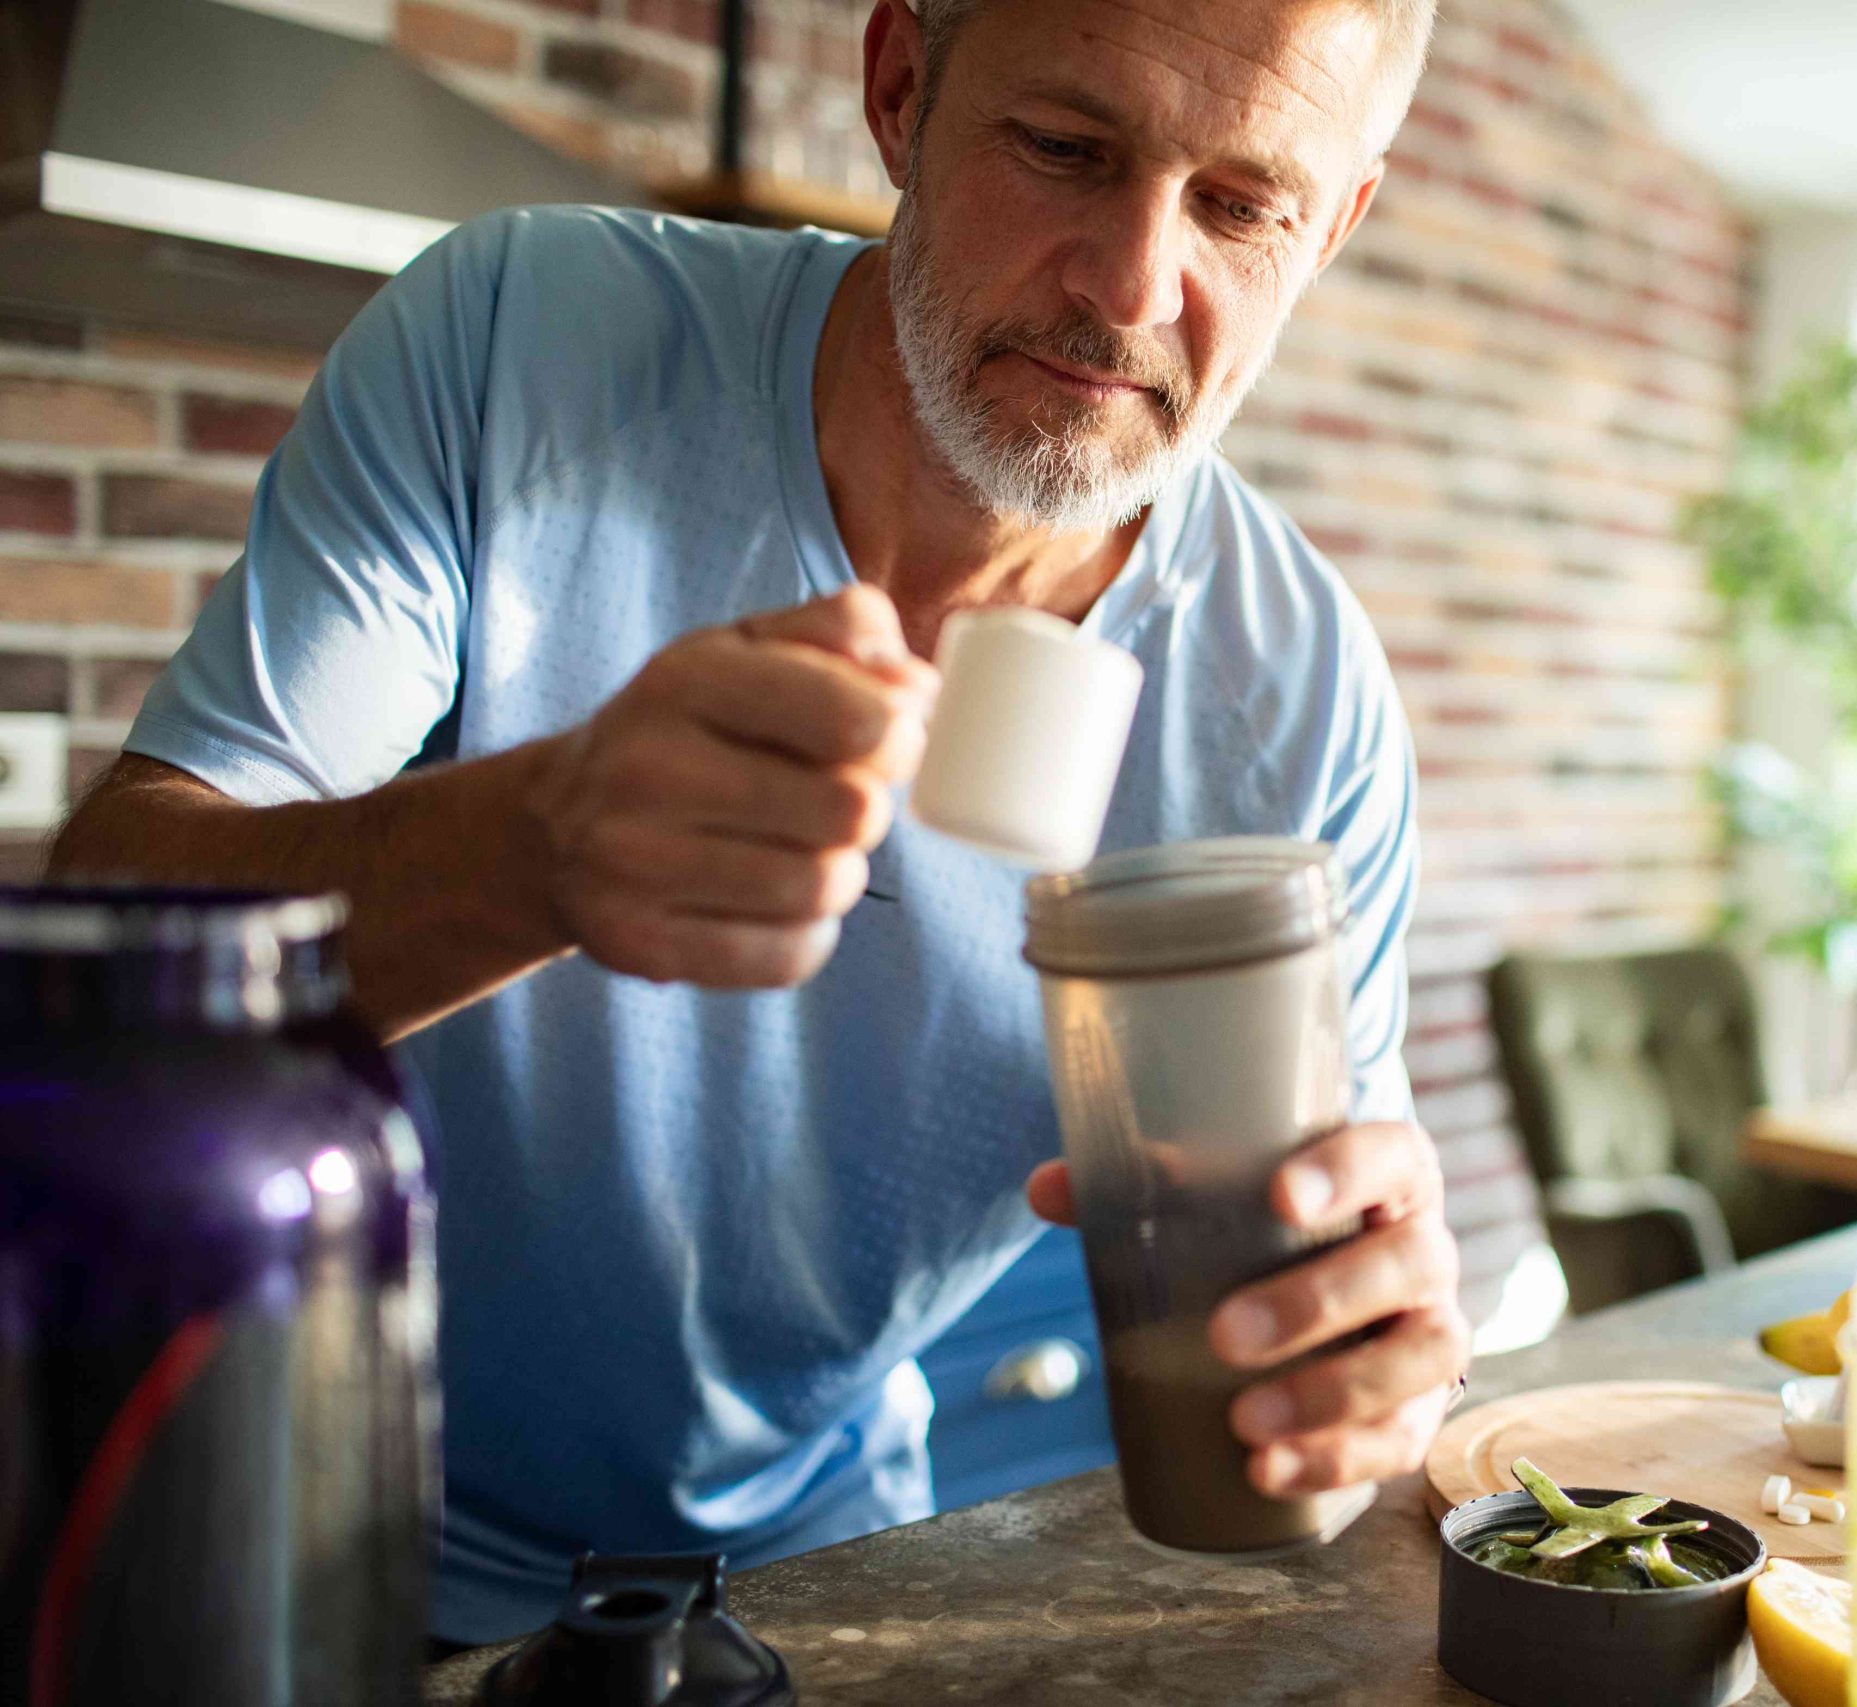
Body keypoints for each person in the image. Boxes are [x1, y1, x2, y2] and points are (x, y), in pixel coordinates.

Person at [48, 0, 1466, 1642]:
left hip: (820, 1579)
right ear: (901, 87)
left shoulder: (1298, 699)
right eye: (1067, 150)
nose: (1131, 286)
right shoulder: (519, 341)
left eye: (1242, 206)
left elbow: (1323, 1314)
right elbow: (115, 959)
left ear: (1339, 222)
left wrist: (1359, 1378)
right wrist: (536, 842)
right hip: (295, 1510)